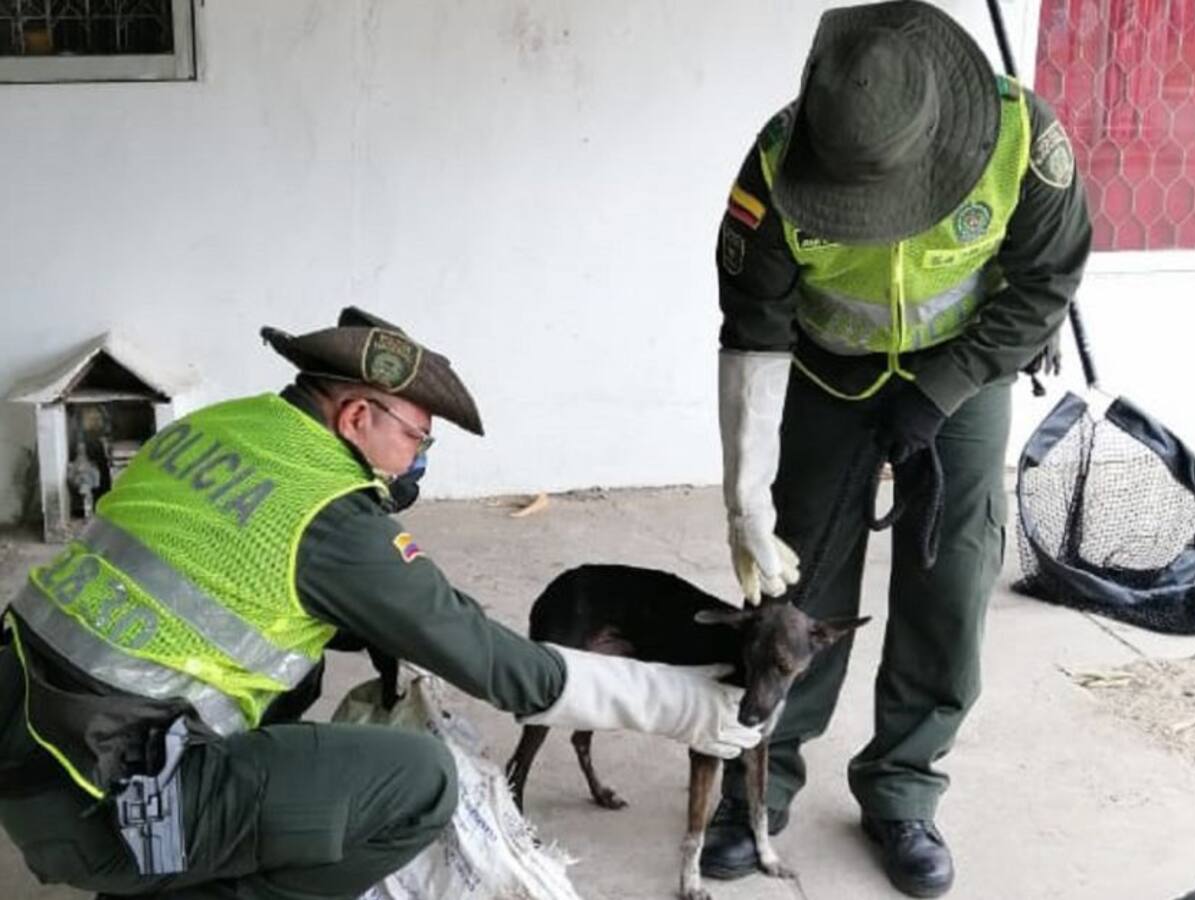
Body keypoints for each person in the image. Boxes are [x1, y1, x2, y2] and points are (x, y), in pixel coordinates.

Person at [0, 306, 763, 899]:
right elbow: (503, 669)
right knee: (422, 782)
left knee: (297, 668)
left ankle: (167, 856)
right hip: (103, 800)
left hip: (25, 735)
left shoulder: (214, 428)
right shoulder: (330, 515)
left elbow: (226, 578)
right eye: (417, 439)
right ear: (357, 417)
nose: (418, 460)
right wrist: (681, 703)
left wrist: (385, 618)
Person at [708, 2, 1091, 896]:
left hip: (969, 364)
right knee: (797, 578)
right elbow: (753, 330)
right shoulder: (776, 163)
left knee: (951, 576)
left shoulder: (1020, 140)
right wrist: (744, 497)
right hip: (826, 372)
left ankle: (904, 786)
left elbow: (1047, 281)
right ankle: (760, 780)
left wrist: (945, 387)